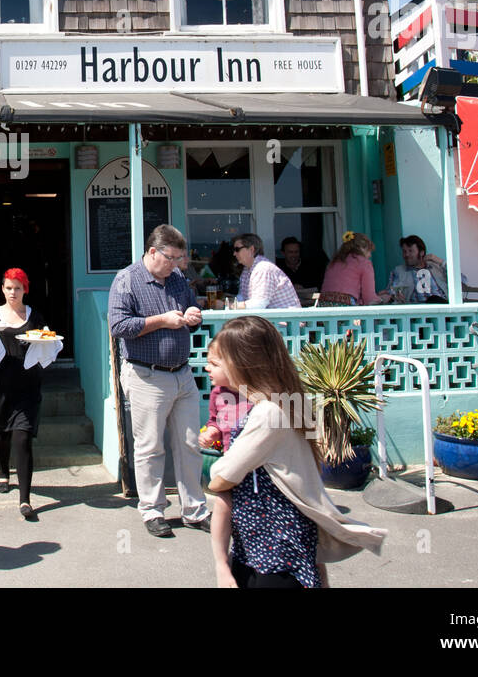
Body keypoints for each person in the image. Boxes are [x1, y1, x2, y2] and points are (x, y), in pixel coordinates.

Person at [206, 316, 386, 588]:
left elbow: (223, 476)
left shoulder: (268, 413)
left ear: (243, 362)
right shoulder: (290, 402)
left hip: (269, 556)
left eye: (217, 362)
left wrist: (221, 565)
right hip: (289, 550)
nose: (208, 368)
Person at [108, 224, 210, 537]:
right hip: (146, 375)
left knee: (190, 444)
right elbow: (118, 326)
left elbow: (190, 306)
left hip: (182, 372)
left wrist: (193, 313)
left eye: (180, 259)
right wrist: (162, 321)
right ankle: (152, 510)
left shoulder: (178, 279)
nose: (177, 265)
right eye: (172, 258)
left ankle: (194, 510)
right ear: (153, 252)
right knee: (150, 447)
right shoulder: (127, 279)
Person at [0, 268, 48, 520]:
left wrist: (47, 348)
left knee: (23, 438)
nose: (13, 292)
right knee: (1, 433)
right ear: (2, 289)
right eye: (8, 287)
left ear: (25, 289)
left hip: (28, 384)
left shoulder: (35, 316)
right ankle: (4, 472)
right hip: (0, 384)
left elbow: (46, 342)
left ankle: (25, 500)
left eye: (18, 287)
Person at [231, 233, 301, 309]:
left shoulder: (263, 268)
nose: (234, 253)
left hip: (286, 320)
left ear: (251, 249)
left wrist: (229, 306)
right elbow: (241, 298)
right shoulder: (247, 269)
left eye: (237, 249)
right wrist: (227, 302)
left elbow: (258, 304)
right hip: (273, 319)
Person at [384, 235, 454, 304]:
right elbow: (391, 292)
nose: (407, 254)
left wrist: (440, 261)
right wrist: (394, 296)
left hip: (442, 310)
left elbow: (460, 281)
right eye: (404, 251)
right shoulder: (399, 271)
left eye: (410, 251)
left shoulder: (436, 267)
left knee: (434, 299)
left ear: (421, 253)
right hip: (417, 312)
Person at [320, 232, 383, 306]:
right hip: (344, 308)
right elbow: (369, 298)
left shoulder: (334, 261)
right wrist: (382, 299)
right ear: (361, 248)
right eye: (369, 250)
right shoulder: (364, 263)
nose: (370, 255)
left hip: (322, 305)